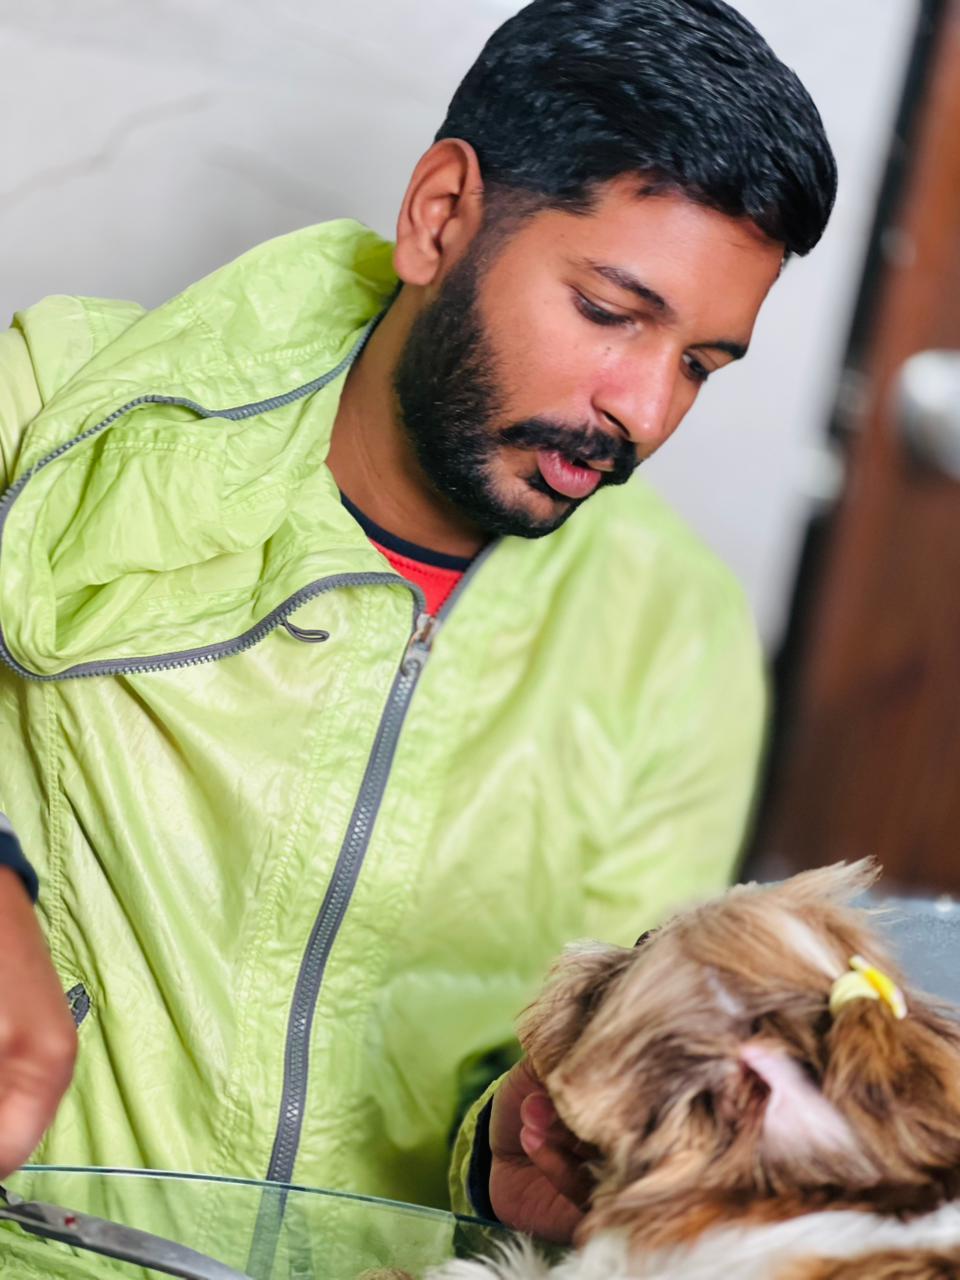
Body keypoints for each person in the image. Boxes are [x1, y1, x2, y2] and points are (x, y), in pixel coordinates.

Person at [0, 0, 836, 1249]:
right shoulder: (64, 409)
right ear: (441, 215)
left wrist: (510, 1144)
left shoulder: (676, 634)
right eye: (611, 312)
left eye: (701, 364)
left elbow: (596, 1052)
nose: (647, 412)